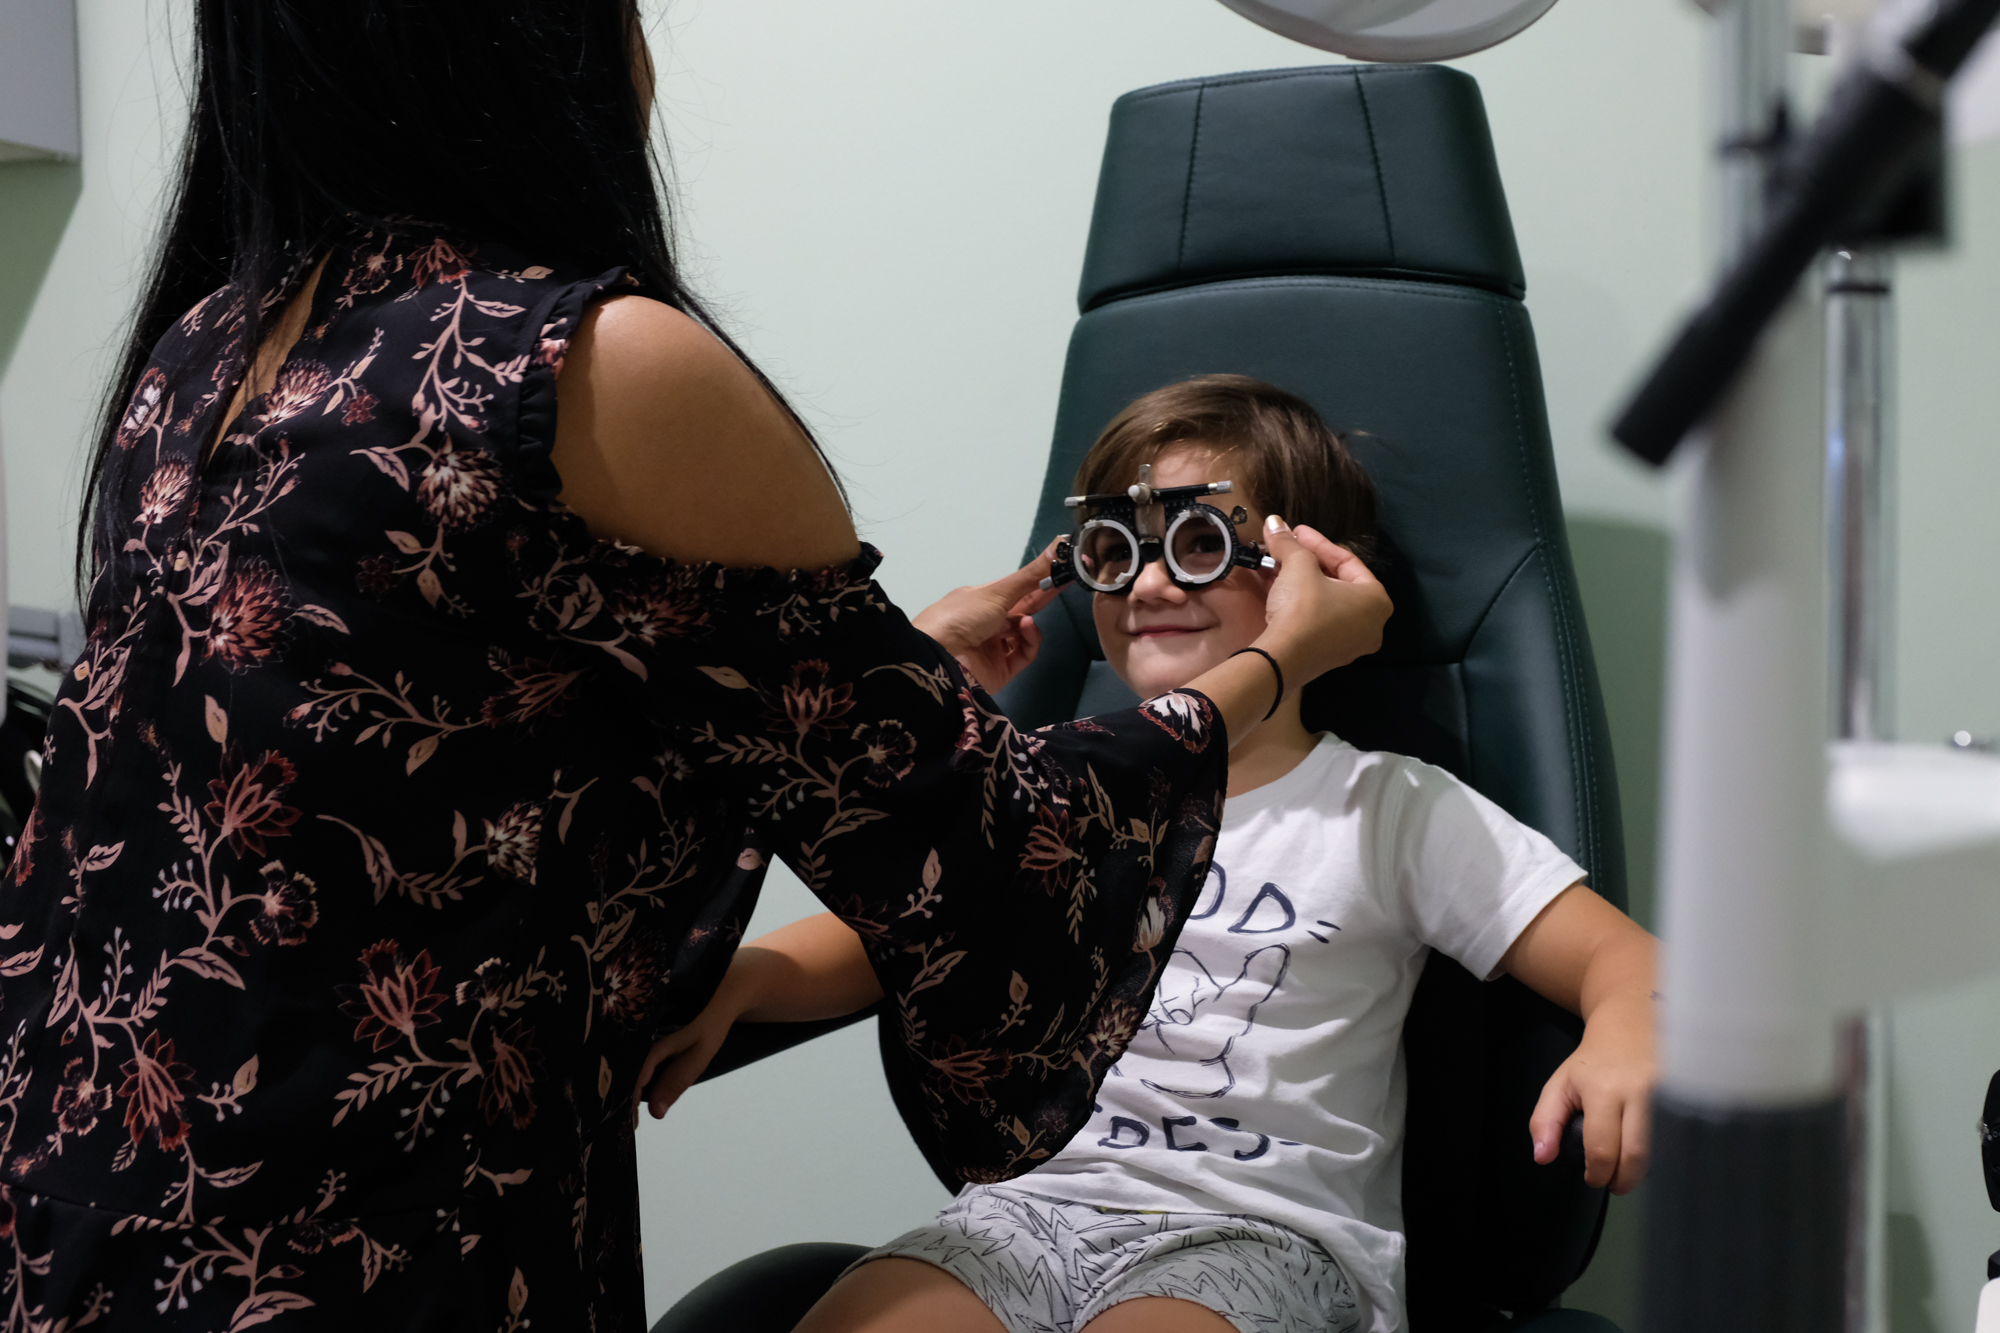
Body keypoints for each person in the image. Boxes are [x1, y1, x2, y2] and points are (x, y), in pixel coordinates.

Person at [0, 10, 1394, 1332]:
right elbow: (1010, 871)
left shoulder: (199, 361)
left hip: (92, 1213)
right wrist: (1275, 666)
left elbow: (460, 756)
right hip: (376, 1255)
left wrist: (886, 660)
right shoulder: (592, 366)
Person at [650, 376, 1658, 1333]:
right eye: (1114, 548)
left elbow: (1622, 959)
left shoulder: (1384, 807)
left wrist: (1624, 1028)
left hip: (1259, 1232)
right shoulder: (1057, 781)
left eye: (1196, 539)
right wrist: (745, 978)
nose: (1146, 581)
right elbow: (900, 930)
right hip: (1019, 1207)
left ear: (1312, 574)